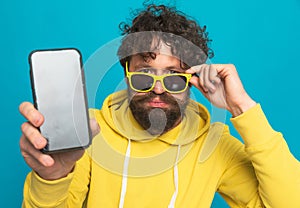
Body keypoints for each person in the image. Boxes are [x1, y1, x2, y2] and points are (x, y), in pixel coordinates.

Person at [19, 4, 300, 208]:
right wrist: (52, 177)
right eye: (144, 75)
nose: (157, 88)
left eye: (174, 79)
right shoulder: (89, 131)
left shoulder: (214, 145)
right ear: (127, 75)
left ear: (192, 81)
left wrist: (243, 108)